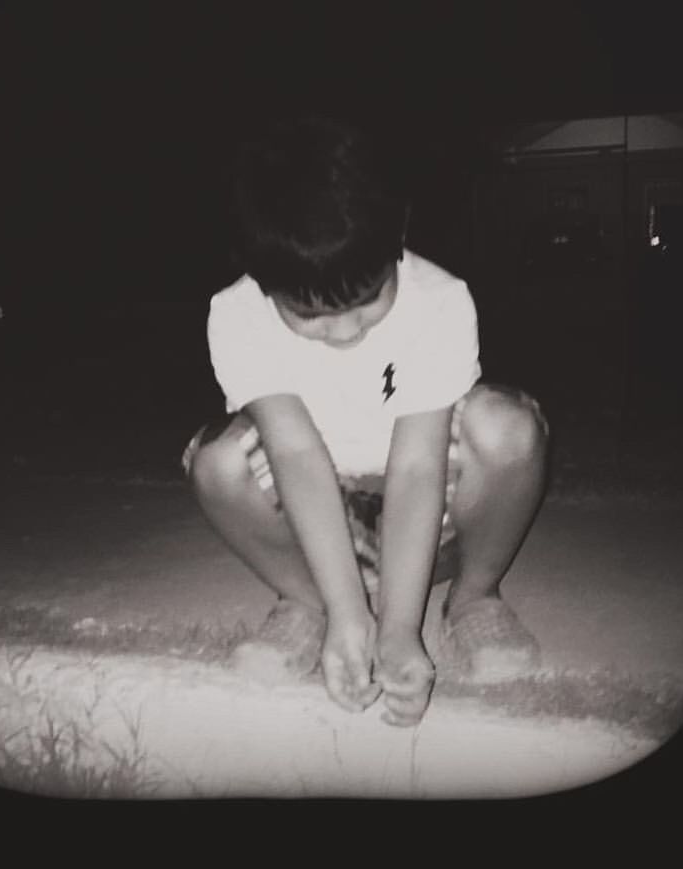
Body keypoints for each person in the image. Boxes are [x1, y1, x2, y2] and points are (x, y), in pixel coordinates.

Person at [182, 116, 549, 727]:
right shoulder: (237, 314)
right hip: (318, 525)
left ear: (397, 235)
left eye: (368, 301)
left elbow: (415, 465)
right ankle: (309, 604)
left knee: (508, 427)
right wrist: (352, 618)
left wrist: (399, 632)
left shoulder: (439, 300)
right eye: (311, 317)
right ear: (260, 278)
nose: (347, 332)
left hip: (434, 527)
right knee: (216, 462)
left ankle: (474, 598)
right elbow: (295, 455)